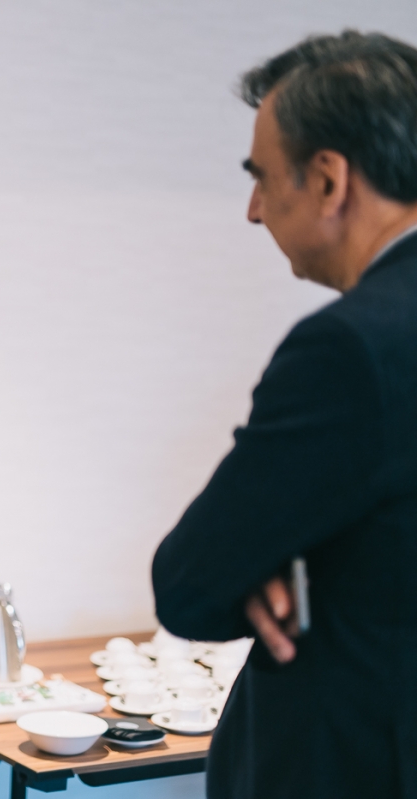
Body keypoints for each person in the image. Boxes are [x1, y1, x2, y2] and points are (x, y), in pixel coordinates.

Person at [152, 31, 417, 798]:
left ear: (329, 179)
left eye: (263, 178)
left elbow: (192, 581)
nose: (253, 209)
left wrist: (274, 555)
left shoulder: (350, 347)